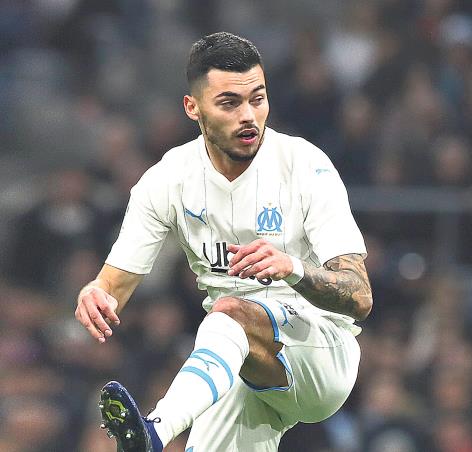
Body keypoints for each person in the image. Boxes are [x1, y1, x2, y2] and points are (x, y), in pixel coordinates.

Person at [74, 32, 372, 452]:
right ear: (192, 107)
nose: (248, 116)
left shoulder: (305, 166)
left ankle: (154, 432)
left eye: (257, 99)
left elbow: (360, 295)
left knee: (228, 310)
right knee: (226, 319)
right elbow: (113, 286)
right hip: (236, 363)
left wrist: (293, 268)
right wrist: (95, 294)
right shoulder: (168, 180)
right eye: (230, 103)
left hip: (320, 352)